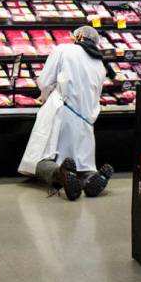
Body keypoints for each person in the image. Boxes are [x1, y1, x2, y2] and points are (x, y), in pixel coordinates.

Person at [18, 26, 114, 200]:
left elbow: (46, 81)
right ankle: (92, 178)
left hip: (61, 110)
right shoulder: (99, 62)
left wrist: (44, 96)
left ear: (79, 36)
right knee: (83, 163)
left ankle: (60, 174)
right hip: (86, 118)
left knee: (38, 159)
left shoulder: (63, 50)